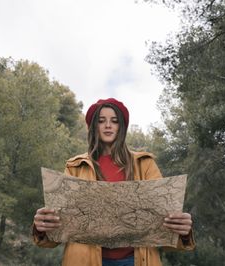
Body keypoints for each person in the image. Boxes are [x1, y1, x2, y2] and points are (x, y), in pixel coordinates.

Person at [33, 98, 195, 266]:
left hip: (136, 260)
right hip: (84, 260)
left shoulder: (145, 165)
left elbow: (163, 222)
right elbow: (60, 229)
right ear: (94, 126)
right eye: (101, 121)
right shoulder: (75, 166)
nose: (108, 125)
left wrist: (182, 231)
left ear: (121, 127)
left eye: (114, 121)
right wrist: (43, 226)